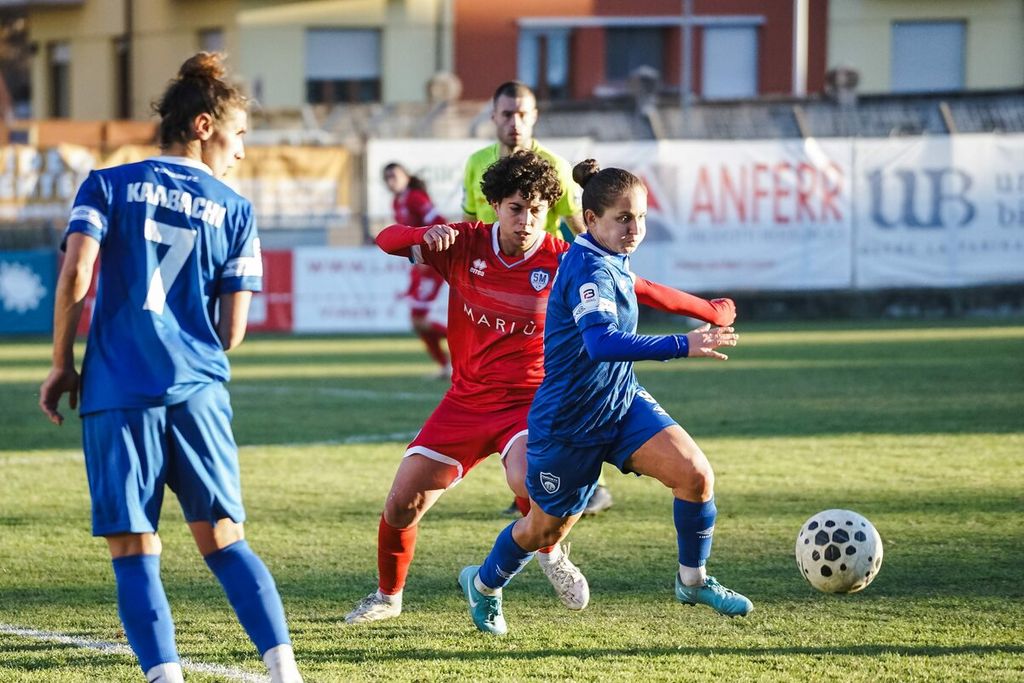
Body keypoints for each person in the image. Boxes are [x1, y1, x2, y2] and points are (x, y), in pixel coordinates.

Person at [345, 151, 737, 627]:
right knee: (401, 502)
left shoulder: (563, 258)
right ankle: (388, 596)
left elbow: (642, 287)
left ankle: (550, 551)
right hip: (465, 402)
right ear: (494, 205)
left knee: (529, 485)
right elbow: (386, 239)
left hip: (530, 403)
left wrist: (708, 311)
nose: (526, 220)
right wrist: (420, 236)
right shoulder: (463, 244)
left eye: (536, 210)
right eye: (515, 208)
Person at [38, 53, 302, 683]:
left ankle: (164, 676)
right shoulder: (236, 210)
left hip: (117, 389)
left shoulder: (105, 185)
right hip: (197, 391)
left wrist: (61, 364)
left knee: (134, 549)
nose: (242, 151)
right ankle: (285, 671)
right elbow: (232, 332)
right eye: (239, 135)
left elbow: (76, 273)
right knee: (225, 539)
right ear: (204, 126)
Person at [458, 159, 752, 637]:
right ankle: (484, 584)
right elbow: (601, 343)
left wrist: (708, 309)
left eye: (641, 217)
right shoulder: (588, 267)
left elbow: (646, 288)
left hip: (620, 403)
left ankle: (693, 581)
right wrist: (684, 344)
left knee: (695, 475)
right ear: (591, 219)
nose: (635, 229)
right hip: (568, 423)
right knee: (542, 531)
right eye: (623, 218)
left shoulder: (609, 252)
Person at [462, 80, 615, 516]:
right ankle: (534, 489)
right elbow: (470, 227)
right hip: (499, 301)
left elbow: (580, 227)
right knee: (510, 396)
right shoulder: (476, 164)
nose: (515, 122)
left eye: (523, 114)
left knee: (563, 389)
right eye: (507, 113)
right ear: (493, 116)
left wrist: (600, 274)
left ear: (534, 117)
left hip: (549, 299)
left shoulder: (555, 166)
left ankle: (592, 484)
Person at [383, 162, 451, 378]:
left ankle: (467, 350)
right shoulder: (397, 202)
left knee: (419, 319)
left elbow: (439, 223)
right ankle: (445, 365)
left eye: (394, 175)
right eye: (387, 177)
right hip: (418, 265)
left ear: (406, 176)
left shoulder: (416, 198)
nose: (391, 181)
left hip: (430, 264)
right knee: (417, 321)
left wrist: (427, 255)